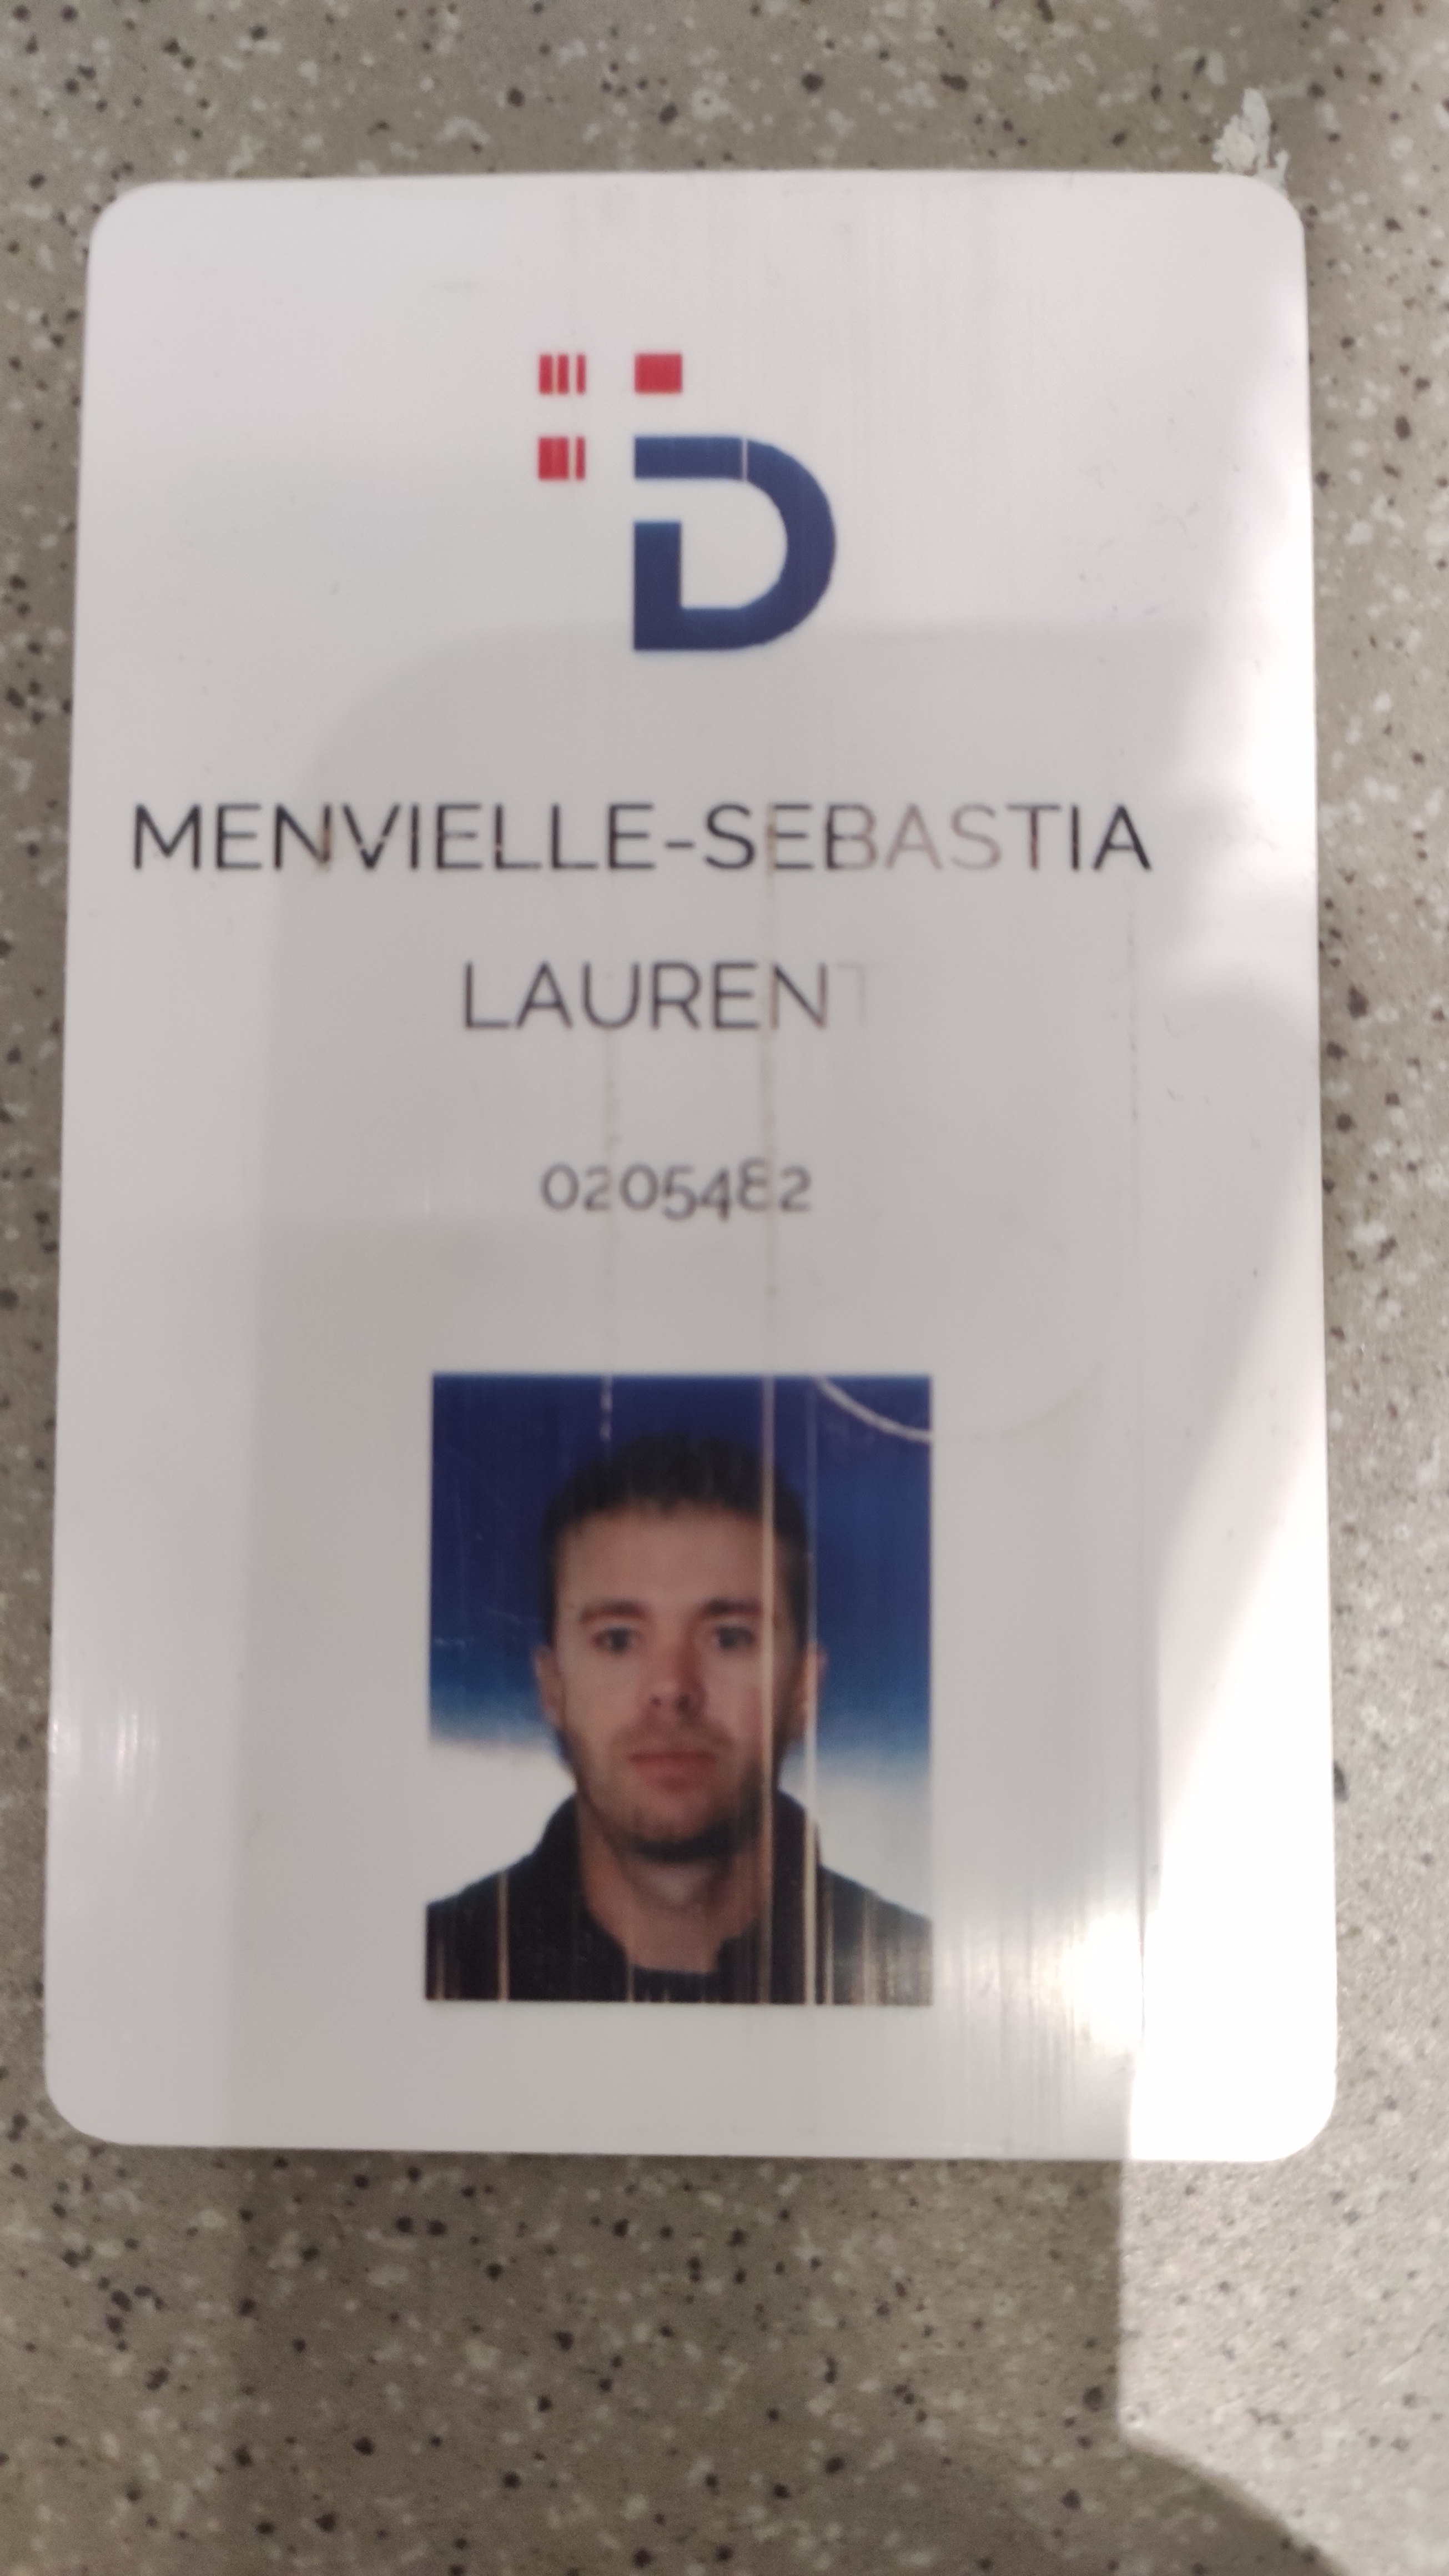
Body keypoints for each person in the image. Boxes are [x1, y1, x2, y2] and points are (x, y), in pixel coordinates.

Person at [426, 1431, 931, 2004]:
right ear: (554, 1689)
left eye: (729, 1637)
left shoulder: (917, 1980)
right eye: (618, 1639)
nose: (672, 1687)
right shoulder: (430, 1969)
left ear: (803, 1690)